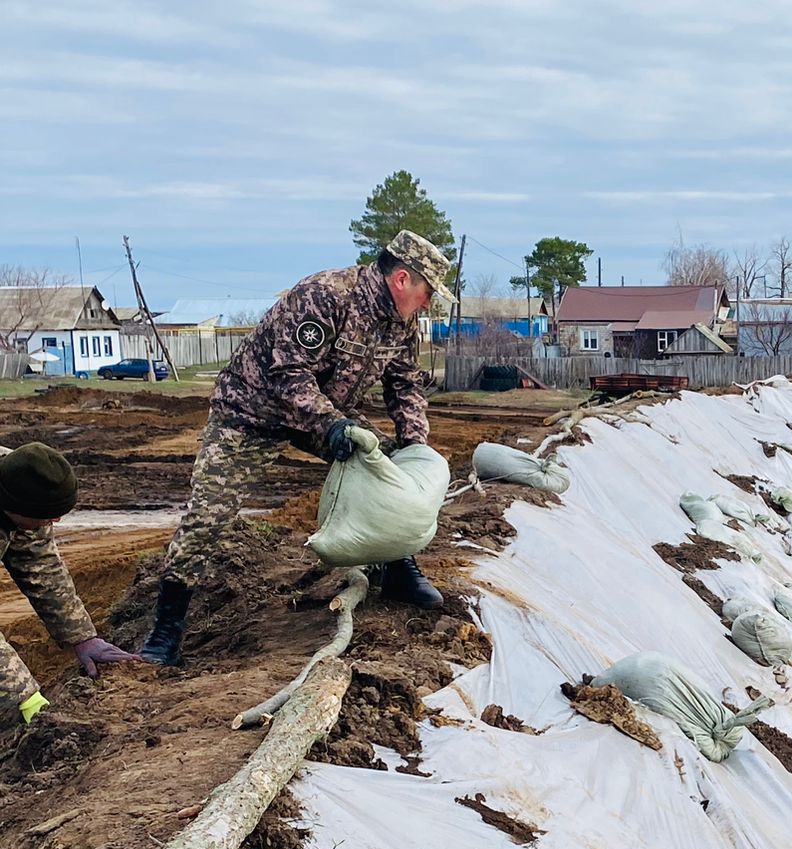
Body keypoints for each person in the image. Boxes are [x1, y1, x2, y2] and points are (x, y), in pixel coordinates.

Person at [140, 230, 456, 667]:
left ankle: (398, 568)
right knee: (209, 513)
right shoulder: (325, 296)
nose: (428, 304)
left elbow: (404, 386)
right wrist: (333, 425)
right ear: (402, 279)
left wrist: (415, 447)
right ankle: (166, 629)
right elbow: (288, 374)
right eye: (426, 293)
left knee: (388, 470)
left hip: (327, 416)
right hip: (252, 413)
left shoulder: (401, 324)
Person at [0, 443, 140, 728]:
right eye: (46, 516)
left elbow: (39, 565)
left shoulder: (21, 479)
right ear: (12, 506)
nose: (56, 520)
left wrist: (82, 637)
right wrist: (23, 695)